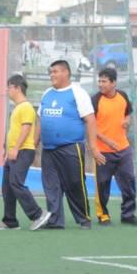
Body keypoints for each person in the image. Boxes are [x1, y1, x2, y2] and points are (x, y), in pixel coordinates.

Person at [37, 60, 105, 230]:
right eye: (51, 72)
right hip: (49, 150)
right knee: (51, 186)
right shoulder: (47, 93)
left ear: (66, 73)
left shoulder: (77, 93)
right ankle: (55, 220)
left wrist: (93, 147)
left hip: (70, 147)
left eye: (56, 71)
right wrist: (33, 144)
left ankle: (83, 219)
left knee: (75, 184)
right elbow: (39, 120)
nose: (52, 75)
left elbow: (90, 120)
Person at [0, 74, 51, 231]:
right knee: (7, 186)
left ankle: (38, 214)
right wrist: (8, 150)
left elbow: (26, 129)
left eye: (9, 87)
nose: (7, 91)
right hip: (14, 153)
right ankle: (10, 221)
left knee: (16, 182)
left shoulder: (25, 107)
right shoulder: (18, 108)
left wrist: (16, 148)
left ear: (17, 88)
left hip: (23, 151)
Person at [91, 68, 137, 226]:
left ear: (114, 83)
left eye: (104, 81)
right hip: (102, 152)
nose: (101, 84)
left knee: (128, 181)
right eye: (99, 81)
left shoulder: (123, 96)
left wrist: (127, 120)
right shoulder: (95, 100)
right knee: (102, 184)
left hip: (123, 149)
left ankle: (128, 214)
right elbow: (90, 126)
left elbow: (128, 113)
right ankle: (103, 215)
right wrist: (107, 141)